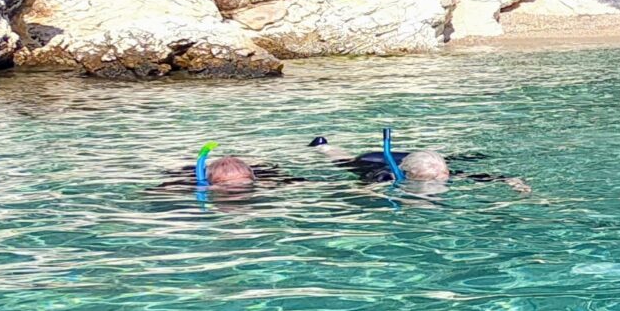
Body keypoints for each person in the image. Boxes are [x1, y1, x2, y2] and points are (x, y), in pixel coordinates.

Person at [315, 128, 530, 194]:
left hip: (413, 160)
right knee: (344, 162)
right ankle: (323, 146)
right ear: (413, 177)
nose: (443, 179)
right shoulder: (385, 176)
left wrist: (513, 181)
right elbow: (360, 190)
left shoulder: (442, 171)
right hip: (374, 160)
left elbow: (484, 177)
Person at [160, 141, 284, 194]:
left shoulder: (264, 181)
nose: (237, 191)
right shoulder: (190, 184)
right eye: (228, 186)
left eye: (245, 184)